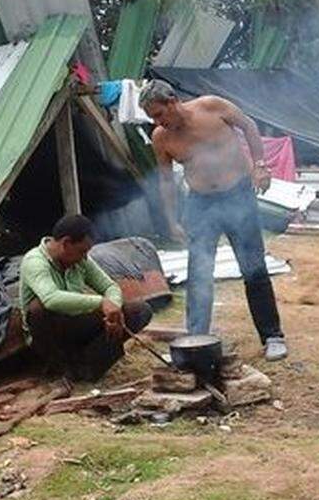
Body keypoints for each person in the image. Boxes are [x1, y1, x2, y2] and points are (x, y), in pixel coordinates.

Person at [141, 80, 288, 361]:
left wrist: (260, 166)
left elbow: (249, 126)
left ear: (172, 101)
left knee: (253, 268)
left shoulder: (212, 106)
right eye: (153, 118)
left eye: (159, 114)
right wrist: (171, 221)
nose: (158, 122)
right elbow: (166, 180)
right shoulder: (162, 137)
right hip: (200, 204)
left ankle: (272, 336)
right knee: (199, 274)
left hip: (238, 195)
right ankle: (196, 338)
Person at [19, 214, 152, 382]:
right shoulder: (35, 261)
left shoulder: (81, 260)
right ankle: (59, 367)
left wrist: (113, 311)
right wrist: (101, 302)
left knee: (139, 310)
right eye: (82, 251)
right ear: (66, 243)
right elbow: (51, 298)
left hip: (76, 324)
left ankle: (87, 366)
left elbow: (110, 287)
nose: (84, 257)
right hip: (50, 334)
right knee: (38, 309)